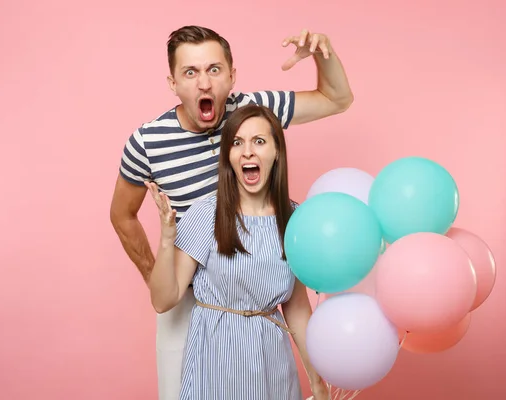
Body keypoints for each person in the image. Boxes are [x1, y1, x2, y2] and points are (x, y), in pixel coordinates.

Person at [109, 25, 353, 399]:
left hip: (257, 288)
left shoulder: (253, 112)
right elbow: (122, 215)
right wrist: (161, 275)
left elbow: (337, 98)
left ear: (231, 75)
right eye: (190, 72)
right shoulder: (147, 142)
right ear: (173, 82)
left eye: (214, 70)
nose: (204, 84)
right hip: (188, 288)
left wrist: (324, 54)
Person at [145, 104, 329, 400]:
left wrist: (316, 380)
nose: (247, 152)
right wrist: (167, 239)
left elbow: (296, 308)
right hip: (215, 364)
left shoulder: (295, 219)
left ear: (276, 151)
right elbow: (163, 299)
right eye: (237, 142)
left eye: (259, 141)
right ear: (228, 156)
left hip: (272, 364)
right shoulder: (207, 213)